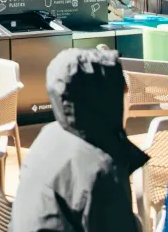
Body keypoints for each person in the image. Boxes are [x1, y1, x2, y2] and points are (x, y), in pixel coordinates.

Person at [11, 49, 149, 232]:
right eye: (121, 93)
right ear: (106, 100)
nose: (127, 102)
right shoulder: (101, 167)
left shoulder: (49, 134)